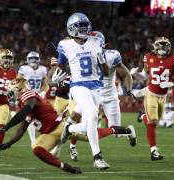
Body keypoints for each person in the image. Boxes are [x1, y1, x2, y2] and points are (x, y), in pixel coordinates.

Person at [0, 79, 132, 173]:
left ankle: (123, 130)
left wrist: (6, 126)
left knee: (93, 135)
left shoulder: (27, 95)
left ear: (19, 88)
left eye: (12, 92)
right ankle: (65, 167)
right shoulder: (23, 102)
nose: (10, 96)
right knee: (37, 149)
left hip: (61, 127)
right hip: (48, 134)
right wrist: (8, 144)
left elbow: (25, 111)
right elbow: (22, 128)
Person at [54, 12, 110, 169]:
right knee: (92, 113)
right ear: (71, 28)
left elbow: (106, 73)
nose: (84, 29)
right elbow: (59, 66)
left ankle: (68, 128)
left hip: (96, 86)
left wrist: (101, 58)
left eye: (86, 26)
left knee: (87, 126)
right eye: (81, 26)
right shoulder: (65, 45)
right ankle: (97, 157)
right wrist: (55, 76)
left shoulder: (97, 40)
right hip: (78, 85)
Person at [130, 37, 174, 161]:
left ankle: (142, 116)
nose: (162, 48)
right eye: (160, 45)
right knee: (152, 123)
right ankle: (153, 151)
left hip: (162, 96)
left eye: (165, 45)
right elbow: (144, 76)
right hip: (151, 93)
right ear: (155, 46)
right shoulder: (149, 57)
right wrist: (135, 74)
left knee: (154, 123)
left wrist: (171, 84)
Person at [17, 51, 48, 146]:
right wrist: (24, 89)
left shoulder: (43, 69)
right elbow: (17, 81)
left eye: (35, 58)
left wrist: (43, 92)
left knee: (42, 117)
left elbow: (46, 84)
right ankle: (33, 140)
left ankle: (44, 137)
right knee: (29, 117)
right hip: (28, 96)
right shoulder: (24, 69)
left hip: (38, 96)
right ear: (27, 60)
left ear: (39, 60)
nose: (33, 60)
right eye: (31, 59)